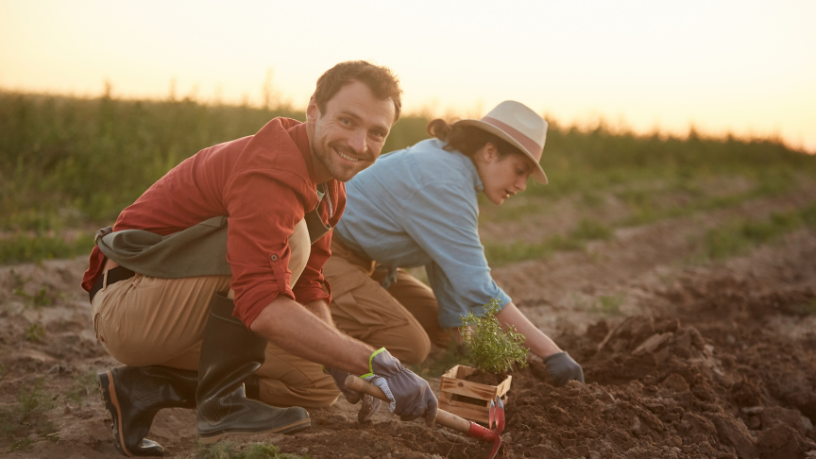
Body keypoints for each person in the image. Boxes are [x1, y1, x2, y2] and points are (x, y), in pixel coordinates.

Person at [83, 61, 437, 457]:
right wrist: (374, 361)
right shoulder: (272, 170)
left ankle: (142, 387)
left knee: (316, 382)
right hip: (129, 303)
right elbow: (263, 302)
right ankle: (220, 406)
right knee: (294, 240)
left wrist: (342, 362)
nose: (359, 144)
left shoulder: (331, 186)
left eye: (376, 133)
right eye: (348, 121)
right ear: (313, 111)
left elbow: (308, 282)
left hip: (171, 307)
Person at [324, 100, 585, 389]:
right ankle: (308, 337)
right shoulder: (444, 183)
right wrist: (552, 354)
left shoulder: (450, 164)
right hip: (326, 252)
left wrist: (458, 342)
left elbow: (443, 259)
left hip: (369, 263)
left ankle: (348, 317)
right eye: (519, 170)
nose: (522, 185)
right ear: (489, 152)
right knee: (411, 345)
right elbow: (478, 287)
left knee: (439, 332)